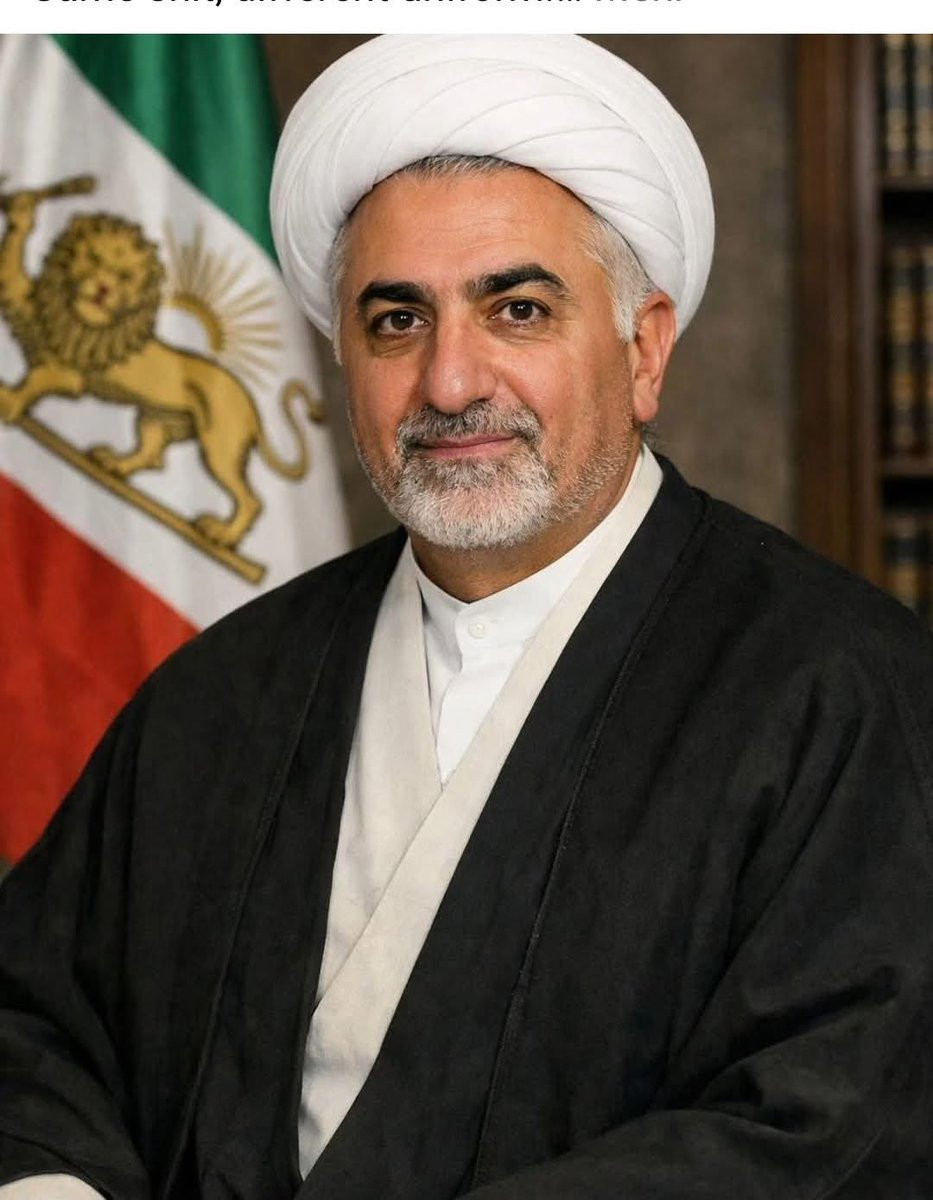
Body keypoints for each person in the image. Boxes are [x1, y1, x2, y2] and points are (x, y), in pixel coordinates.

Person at [1, 33, 932, 1200]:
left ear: (644, 350)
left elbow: (836, 1130)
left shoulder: (846, 692)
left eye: (518, 310)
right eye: (397, 321)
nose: (450, 382)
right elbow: (37, 1024)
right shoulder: (224, 692)